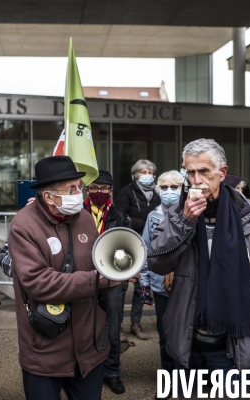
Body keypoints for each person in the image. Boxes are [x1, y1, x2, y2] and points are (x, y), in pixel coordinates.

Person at [148, 139, 250, 388]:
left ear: (222, 173)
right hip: (188, 339)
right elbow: (157, 262)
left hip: (235, 341)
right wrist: (186, 221)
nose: (196, 180)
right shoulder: (177, 212)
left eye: (204, 171)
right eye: (190, 172)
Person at [9, 156, 136, 400]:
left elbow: (98, 266)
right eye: (72, 189)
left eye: (80, 186)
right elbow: (38, 282)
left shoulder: (85, 220)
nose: (80, 193)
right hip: (45, 350)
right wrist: (94, 282)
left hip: (89, 348)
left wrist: (118, 273)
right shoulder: (23, 226)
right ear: (48, 196)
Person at [82, 170, 130, 395]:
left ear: (111, 190)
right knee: (84, 325)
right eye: (94, 188)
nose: (99, 192)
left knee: (111, 327)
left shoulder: (119, 215)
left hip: (112, 280)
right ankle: (86, 371)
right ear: (87, 189)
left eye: (103, 188)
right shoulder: (77, 213)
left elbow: (127, 245)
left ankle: (112, 372)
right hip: (84, 279)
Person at [140, 170, 184, 374]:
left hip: (186, 285)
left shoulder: (192, 212)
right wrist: (145, 282)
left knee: (186, 332)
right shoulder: (153, 216)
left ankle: (185, 378)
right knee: (165, 332)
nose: (169, 191)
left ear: (183, 189)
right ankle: (168, 377)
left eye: (174, 187)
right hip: (160, 285)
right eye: (164, 187)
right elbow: (146, 250)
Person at [114, 159, 160, 341]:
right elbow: (120, 216)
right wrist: (147, 224)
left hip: (150, 245)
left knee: (143, 286)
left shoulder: (158, 192)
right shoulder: (127, 192)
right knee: (122, 286)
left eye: (150, 172)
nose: (147, 175)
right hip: (129, 244)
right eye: (143, 172)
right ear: (135, 174)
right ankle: (117, 326)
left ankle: (136, 323)